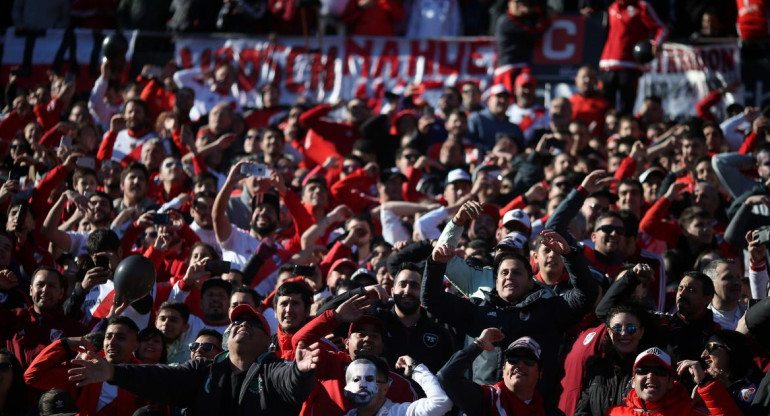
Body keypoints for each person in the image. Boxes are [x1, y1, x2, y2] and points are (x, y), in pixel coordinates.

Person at [422, 232, 598, 409]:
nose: (509, 277)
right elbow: (432, 301)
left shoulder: (549, 310)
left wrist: (570, 256)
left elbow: (586, 295)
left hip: (534, 407)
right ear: (496, 282)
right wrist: (435, 265)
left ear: (531, 282)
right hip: (486, 406)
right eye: (504, 273)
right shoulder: (478, 311)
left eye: (517, 273)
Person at [67, 304, 320, 415]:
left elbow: (291, 383)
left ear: (268, 341)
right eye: (236, 322)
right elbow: (160, 377)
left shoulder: (273, 370)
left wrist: (300, 371)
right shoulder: (203, 370)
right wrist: (113, 372)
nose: (243, 324)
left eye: (252, 322)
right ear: (226, 337)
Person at [24, 317, 145, 416]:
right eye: (108, 337)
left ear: (135, 345)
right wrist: (64, 344)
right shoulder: (85, 369)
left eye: (120, 338)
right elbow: (31, 377)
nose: (111, 342)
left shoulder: (145, 375)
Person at [563, 302, 654, 416]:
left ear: (641, 332)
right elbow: (582, 410)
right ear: (609, 332)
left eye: (631, 328)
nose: (624, 333)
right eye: (617, 328)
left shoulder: (651, 371)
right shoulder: (597, 367)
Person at [438, 330, 545, 416]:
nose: (520, 365)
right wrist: (479, 344)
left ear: (540, 373)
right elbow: (447, 376)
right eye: (513, 359)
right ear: (503, 370)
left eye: (529, 360)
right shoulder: (486, 399)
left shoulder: (547, 410)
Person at [606, 347, 741, 415]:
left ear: (671, 382)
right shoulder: (613, 413)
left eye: (659, 372)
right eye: (643, 370)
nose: (651, 376)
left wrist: (705, 383)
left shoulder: (688, 411)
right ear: (633, 381)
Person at [0, 267, 86, 368]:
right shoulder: (14, 318)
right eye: (40, 285)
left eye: (51, 286)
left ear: (61, 293)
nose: (45, 290)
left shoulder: (74, 330)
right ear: (31, 290)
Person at [342, 355, 451, 416]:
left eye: (369, 380)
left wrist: (415, 368)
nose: (361, 386)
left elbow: (441, 402)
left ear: (385, 388)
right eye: (355, 380)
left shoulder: (401, 413)